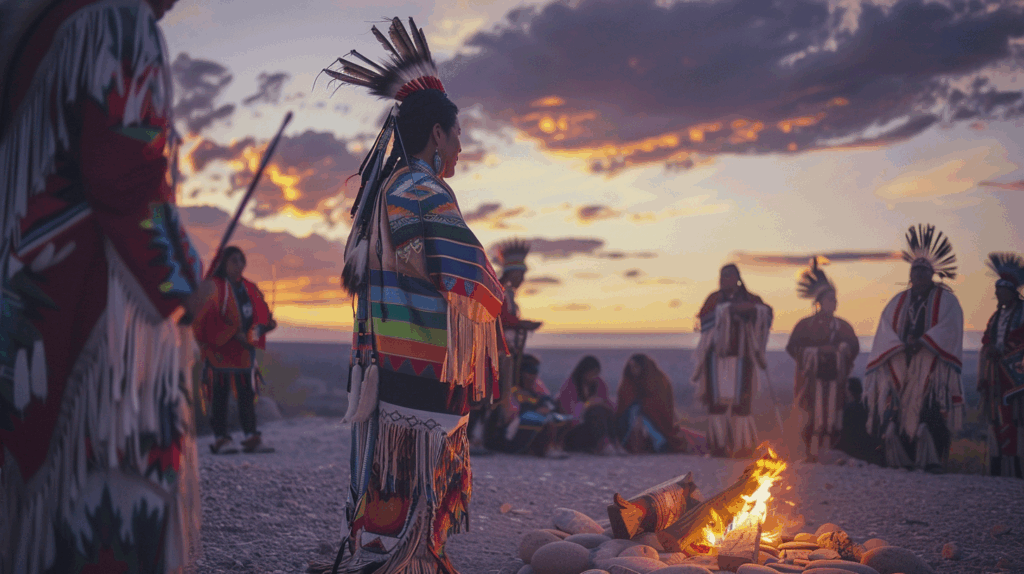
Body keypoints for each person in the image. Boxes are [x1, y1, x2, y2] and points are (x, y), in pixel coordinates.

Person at [0, 0, 208, 571]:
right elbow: (129, 173)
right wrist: (189, 285)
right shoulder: (116, 20)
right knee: (100, 507)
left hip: (21, 308)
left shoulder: (36, 28)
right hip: (89, 320)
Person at [317, 18, 506, 574]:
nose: (463, 147)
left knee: (392, 466)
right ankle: (408, 560)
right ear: (437, 135)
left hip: (390, 355)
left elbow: (384, 262)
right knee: (416, 463)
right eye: (459, 134)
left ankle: (391, 553)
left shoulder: (390, 188)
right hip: (419, 358)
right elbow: (437, 261)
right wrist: (492, 290)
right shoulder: (421, 187)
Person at [864, 224, 965, 473]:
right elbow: (885, 329)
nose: (918, 274)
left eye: (923, 270)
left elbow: (951, 326)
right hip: (902, 362)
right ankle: (900, 458)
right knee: (897, 410)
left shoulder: (946, 301)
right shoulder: (898, 302)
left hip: (930, 364)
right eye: (914, 270)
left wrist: (923, 342)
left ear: (932, 273)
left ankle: (930, 459)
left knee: (929, 409)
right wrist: (899, 346)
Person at [193, 246, 277, 454]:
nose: (240, 265)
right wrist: (235, 334)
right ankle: (221, 439)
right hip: (220, 353)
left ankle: (251, 437)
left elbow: (259, 316)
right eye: (234, 260)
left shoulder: (249, 288)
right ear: (223, 263)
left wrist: (266, 325)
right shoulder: (214, 287)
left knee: (247, 396)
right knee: (219, 397)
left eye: (242, 260)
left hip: (243, 355)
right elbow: (206, 319)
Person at [467, 239, 542, 454]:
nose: (523, 279)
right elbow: (496, 317)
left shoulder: (506, 293)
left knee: (497, 396)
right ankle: (473, 438)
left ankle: (485, 438)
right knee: (484, 395)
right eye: (520, 274)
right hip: (491, 351)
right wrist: (521, 324)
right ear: (511, 273)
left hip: (503, 352)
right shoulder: (498, 290)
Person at [691, 264, 773, 457]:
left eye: (728, 276)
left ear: (737, 278)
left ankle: (742, 446)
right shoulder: (714, 299)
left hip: (742, 356)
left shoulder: (751, 299)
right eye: (721, 276)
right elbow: (704, 321)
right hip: (716, 357)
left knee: (742, 403)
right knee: (715, 402)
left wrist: (749, 311)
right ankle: (718, 446)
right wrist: (728, 311)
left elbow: (766, 314)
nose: (723, 280)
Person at [785, 259, 860, 462]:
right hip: (812, 381)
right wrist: (816, 353)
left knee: (833, 416)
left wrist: (841, 351)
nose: (833, 303)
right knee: (811, 415)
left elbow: (854, 346)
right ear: (818, 302)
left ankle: (830, 452)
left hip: (835, 381)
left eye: (835, 300)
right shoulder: (805, 325)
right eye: (829, 300)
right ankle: (811, 453)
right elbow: (792, 347)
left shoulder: (843, 326)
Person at [978, 253, 1024, 478]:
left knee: (1015, 420)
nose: (997, 294)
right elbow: (987, 338)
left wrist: (1004, 349)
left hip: (1016, 381)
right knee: (996, 419)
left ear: (1011, 291)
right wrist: (989, 349)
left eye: (1000, 291)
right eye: (996, 291)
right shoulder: (996, 317)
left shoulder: (1022, 313)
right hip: (996, 378)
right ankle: (998, 466)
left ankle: (1016, 467)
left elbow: (1020, 338)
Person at [485, 354, 569, 457]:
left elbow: (548, 401)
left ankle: (551, 446)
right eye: (530, 371)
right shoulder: (509, 391)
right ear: (520, 372)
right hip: (509, 433)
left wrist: (544, 407)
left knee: (557, 418)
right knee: (539, 420)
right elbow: (510, 415)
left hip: (528, 419)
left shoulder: (535, 388)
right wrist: (535, 410)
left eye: (535, 372)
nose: (533, 376)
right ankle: (544, 449)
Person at [616, 354, 702, 454]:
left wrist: (643, 407)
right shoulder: (627, 382)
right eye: (631, 367)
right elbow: (623, 406)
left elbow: (662, 405)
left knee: (641, 415)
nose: (633, 370)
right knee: (635, 411)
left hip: (657, 419)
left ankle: (660, 443)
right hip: (632, 419)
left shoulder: (660, 381)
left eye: (636, 367)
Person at [556, 355, 617, 454]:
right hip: (574, 431)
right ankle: (603, 444)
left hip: (595, 427)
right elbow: (570, 416)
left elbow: (609, 405)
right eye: (592, 373)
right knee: (595, 411)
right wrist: (588, 405)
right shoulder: (570, 386)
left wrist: (602, 404)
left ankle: (611, 443)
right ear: (584, 372)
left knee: (602, 411)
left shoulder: (599, 384)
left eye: (596, 374)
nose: (594, 377)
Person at [834, 378, 883, 465]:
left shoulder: (849, 407)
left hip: (852, 446)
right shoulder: (866, 404)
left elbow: (845, 431)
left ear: (850, 391)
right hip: (865, 444)